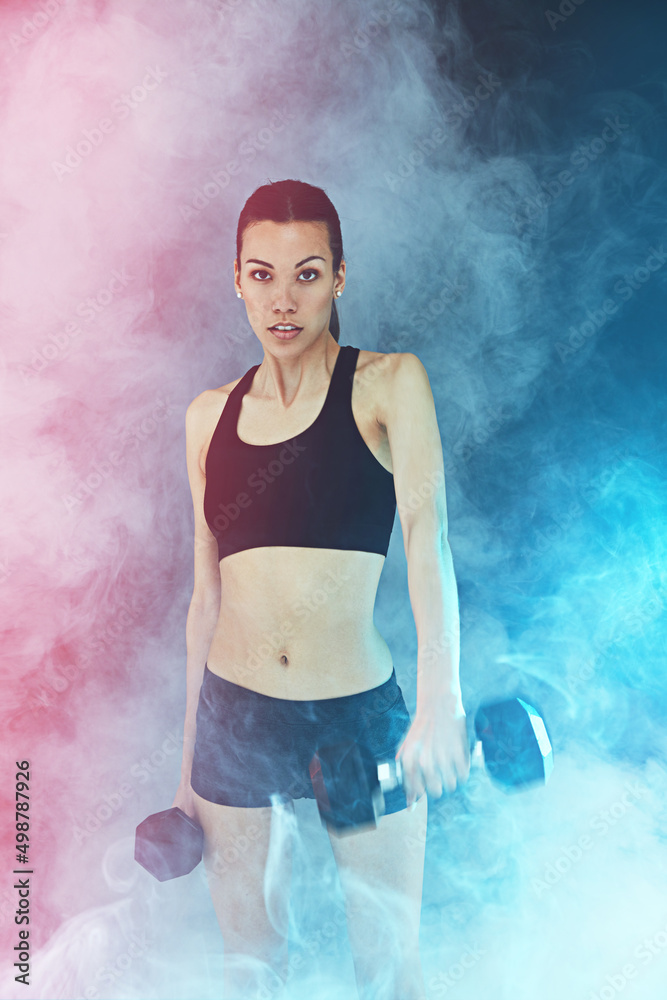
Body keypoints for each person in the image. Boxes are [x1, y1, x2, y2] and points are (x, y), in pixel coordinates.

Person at [171, 179, 470, 999]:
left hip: (353, 713)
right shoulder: (207, 415)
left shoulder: (387, 384)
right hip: (234, 715)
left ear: (339, 277)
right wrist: (186, 771)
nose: (282, 298)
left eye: (306, 273)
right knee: (251, 969)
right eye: (261, 274)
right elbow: (204, 603)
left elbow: (426, 541)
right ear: (235, 278)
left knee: (386, 969)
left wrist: (439, 701)